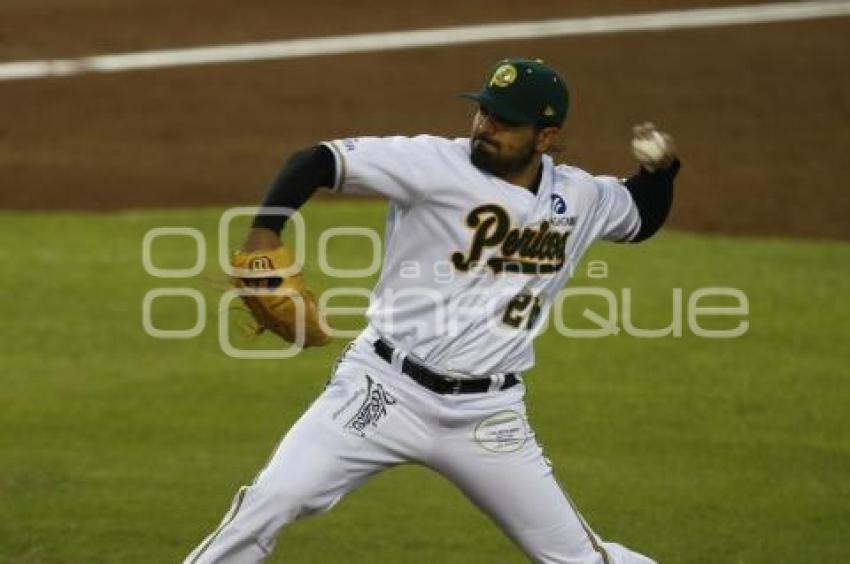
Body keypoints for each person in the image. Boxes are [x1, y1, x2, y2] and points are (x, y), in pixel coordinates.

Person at [185, 57, 680, 564]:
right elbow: (315, 161)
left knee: (578, 558)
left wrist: (661, 172)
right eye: (484, 112)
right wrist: (265, 232)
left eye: (505, 121)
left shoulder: (579, 196)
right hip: (381, 389)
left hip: (487, 417)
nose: (485, 127)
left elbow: (639, 215)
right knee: (271, 502)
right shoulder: (432, 163)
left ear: (546, 137)